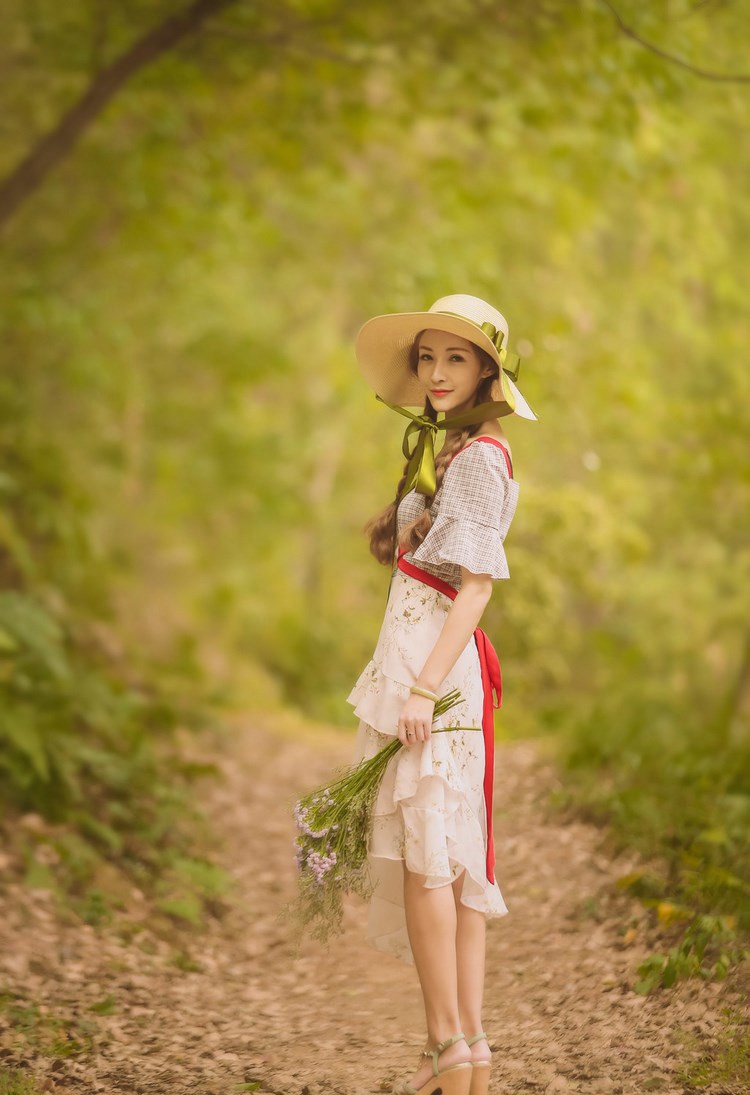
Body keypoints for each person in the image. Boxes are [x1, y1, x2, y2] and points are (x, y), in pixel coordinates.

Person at [346, 294, 537, 1095]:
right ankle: (466, 1051)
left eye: (455, 358)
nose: (435, 373)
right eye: (427, 358)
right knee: (447, 858)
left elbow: (476, 589)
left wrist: (424, 688)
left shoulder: (483, 457)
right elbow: (431, 561)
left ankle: (447, 1046)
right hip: (421, 653)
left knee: (433, 856)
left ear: (487, 369)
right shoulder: (454, 451)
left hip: (437, 665)